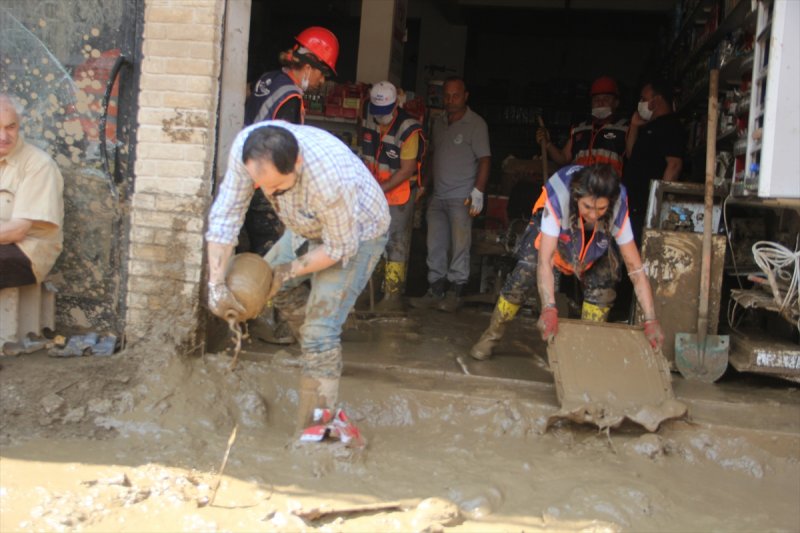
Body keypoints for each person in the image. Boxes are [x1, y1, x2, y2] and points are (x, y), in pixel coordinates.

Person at [205, 122, 389, 436]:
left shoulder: (330, 179)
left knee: (321, 330)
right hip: (305, 224)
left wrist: (287, 271)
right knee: (265, 287)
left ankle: (318, 430)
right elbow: (225, 218)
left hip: (357, 234)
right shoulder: (245, 151)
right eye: (261, 186)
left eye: (278, 189)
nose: (268, 194)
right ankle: (317, 356)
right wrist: (216, 284)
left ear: (298, 163)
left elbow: (339, 247)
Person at [469, 164, 664, 361]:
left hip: (594, 242)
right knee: (525, 272)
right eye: (587, 206)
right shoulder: (559, 198)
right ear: (577, 197)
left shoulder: (618, 206)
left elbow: (636, 269)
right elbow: (545, 261)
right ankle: (491, 336)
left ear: (610, 203)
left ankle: (585, 351)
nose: (593, 214)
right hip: (554, 236)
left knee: (604, 284)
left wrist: (651, 319)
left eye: (601, 208)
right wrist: (549, 308)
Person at [242, 26, 339, 343]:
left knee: (258, 250)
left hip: (249, 177)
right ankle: (265, 322)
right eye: (323, 73)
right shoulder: (291, 95)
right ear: (309, 67)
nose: (322, 81)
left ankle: (253, 318)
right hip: (264, 186)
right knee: (275, 254)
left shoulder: (268, 80)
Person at [410, 76, 491, 313]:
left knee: (460, 246)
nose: (450, 100)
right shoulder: (439, 123)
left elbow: (485, 159)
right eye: (447, 95)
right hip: (439, 196)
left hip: (462, 197)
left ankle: (455, 292)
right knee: (434, 245)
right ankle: (435, 290)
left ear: (465, 96)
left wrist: (478, 191)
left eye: (456, 95)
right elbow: (434, 156)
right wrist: (424, 185)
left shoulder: (476, 124)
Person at [360, 81, 425, 311]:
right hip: (374, 191)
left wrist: (382, 188)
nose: (380, 118)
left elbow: (407, 170)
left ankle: (392, 296)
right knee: (373, 239)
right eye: (377, 113)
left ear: (395, 104)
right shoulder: (368, 113)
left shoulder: (408, 128)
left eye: (384, 113)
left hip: (398, 194)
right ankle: (372, 291)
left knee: (395, 241)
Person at [0, 93, 64, 290]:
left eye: (10, 127)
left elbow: (17, 231)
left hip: (25, 253)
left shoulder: (38, 164)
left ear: (19, 125)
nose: (4, 136)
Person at [625, 78, 685, 245]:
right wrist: (634, 126)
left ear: (657, 100)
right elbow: (631, 154)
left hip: (649, 210)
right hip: (636, 208)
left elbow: (674, 165)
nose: (641, 104)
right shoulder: (650, 127)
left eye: (644, 99)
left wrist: (659, 208)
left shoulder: (669, 126)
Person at [537, 76, 629, 177]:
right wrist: (547, 143)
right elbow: (563, 158)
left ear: (616, 103)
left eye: (606, 99)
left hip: (608, 190)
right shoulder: (579, 129)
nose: (600, 103)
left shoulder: (625, 129)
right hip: (582, 189)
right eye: (596, 99)